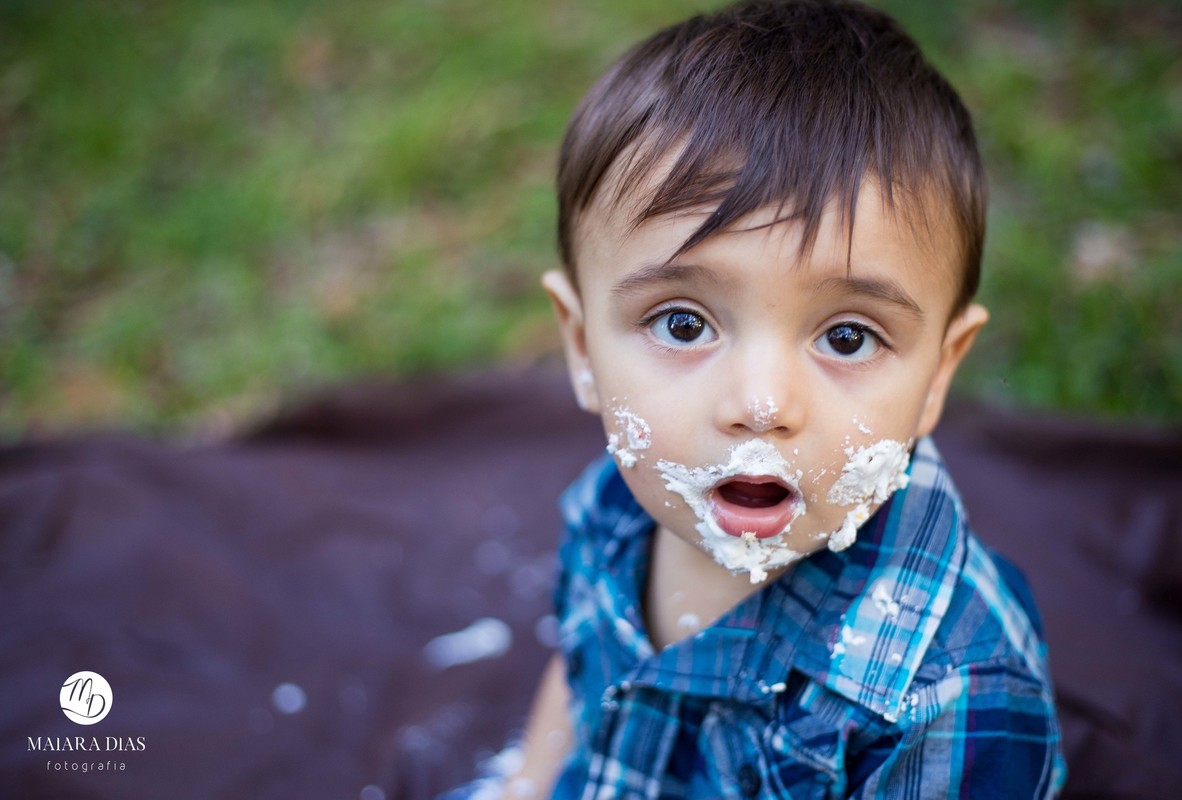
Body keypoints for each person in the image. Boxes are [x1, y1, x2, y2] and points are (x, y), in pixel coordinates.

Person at [446, 0, 1066, 796]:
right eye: (682, 322)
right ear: (581, 348)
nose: (762, 404)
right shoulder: (612, 506)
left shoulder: (948, 689)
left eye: (846, 337)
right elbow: (579, 667)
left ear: (940, 373)